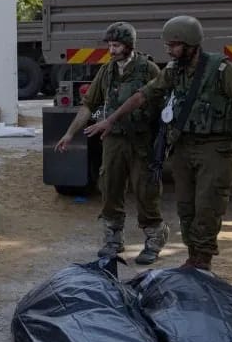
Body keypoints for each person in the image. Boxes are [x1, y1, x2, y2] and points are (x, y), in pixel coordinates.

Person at [85, 16, 232, 270]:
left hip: (215, 148)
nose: (169, 50)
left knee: (208, 207)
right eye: (168, 45)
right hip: (184, 146)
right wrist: (111, 119)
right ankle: (193, 257)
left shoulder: (221, 69)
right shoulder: (173, 70)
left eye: (174, 45)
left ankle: (202, 261)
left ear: (191, 44)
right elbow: (143, 95)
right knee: (185, 207)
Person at [55, 22, 168, 264]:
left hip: (141, 141)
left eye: (116, 45)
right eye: (110, 45)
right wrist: (70, 133)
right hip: (114, 140)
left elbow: (163, 105)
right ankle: (113, 239)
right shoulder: (106, 71)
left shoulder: (148, 69)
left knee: (145, 189)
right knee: (110, 187)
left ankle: (154, 237)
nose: (111, 50)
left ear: (129, 45)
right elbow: (89, 104)